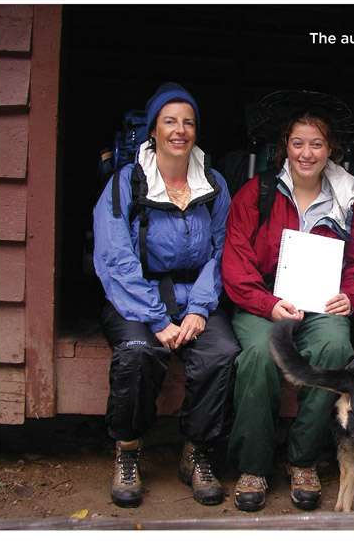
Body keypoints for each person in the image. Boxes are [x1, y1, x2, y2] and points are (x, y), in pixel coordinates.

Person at [93, 82, 239, 508]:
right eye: (169, 121)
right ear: (153, 131)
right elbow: (115, 258)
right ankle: (128, 451)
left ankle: (196, 453)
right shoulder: (127, 182)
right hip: (135, 295)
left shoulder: (212, 183)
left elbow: (222, 249)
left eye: (188, 122)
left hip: (197, 292)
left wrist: (198, 309)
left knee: (221, 351)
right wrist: (156, 318)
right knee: (139, 351)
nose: (180, 130)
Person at [221, 109, 354, 512]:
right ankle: (253, 466)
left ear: (330, 150)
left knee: (335, 348)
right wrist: (268, 305)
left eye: (317, 144)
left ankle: (302, 460)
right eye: (298, 143)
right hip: (262, 302)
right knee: (257, 356)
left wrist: (349, 297)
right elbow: (235, 263)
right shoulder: (257, 192)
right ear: (285, 146)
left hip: (319, 303)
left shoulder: (347, 201)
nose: (307, 153)